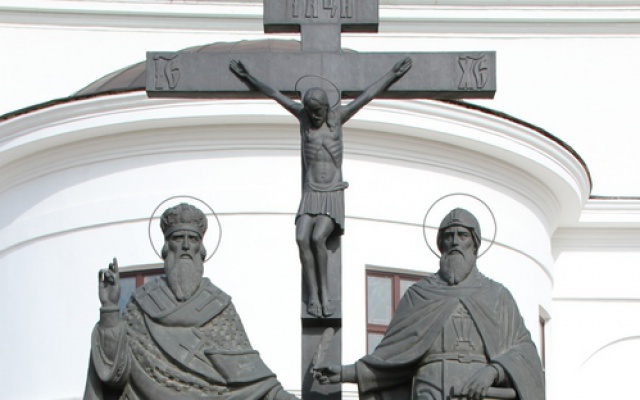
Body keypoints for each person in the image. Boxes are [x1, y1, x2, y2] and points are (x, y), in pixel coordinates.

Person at [230, 57, 412, 318]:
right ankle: (313, 295)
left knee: (318, 238)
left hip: (332, 192)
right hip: (311, 191)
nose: (315, 116)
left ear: (327, 107)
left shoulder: (337, 119)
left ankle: (325, 295)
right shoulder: (304, 119)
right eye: (311, 111)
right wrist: (249, 77)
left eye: (318, 111)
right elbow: (276, 95)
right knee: (301, 237)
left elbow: (366, 96)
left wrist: (393, 74)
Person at [314, 208, 545, 400]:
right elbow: (392, 357)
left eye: (463, 235)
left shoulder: (497, 296)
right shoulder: (419, 295)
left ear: (475, 245)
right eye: (449, 236)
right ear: (440, 244)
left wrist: (493, 371)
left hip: (478, 394)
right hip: (429, 390)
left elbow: (524, 352)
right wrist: (346, 373)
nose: (455, 242)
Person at [84, 203, 299, 400]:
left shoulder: (218, 305)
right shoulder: (142, 304)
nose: (186, 245)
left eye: (193, 239)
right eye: (178, 238)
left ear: (201, 249)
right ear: (167, 247)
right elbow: (114, 370)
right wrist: (110, 308)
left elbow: (251, 375)